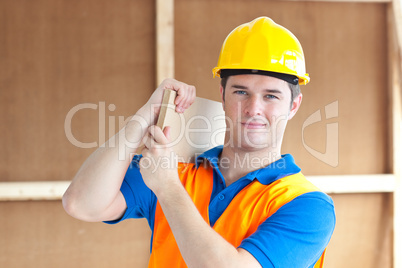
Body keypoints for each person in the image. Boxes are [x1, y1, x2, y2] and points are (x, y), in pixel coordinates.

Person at [63, 17, 336, 267]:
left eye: (271, 96)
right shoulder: (177, 168)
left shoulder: (307, 205)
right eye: (241, 92)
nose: (253, 108)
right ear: (223, 95)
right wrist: (144, 116)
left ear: (294, 105)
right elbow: (81, 204)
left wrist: (168, 188)